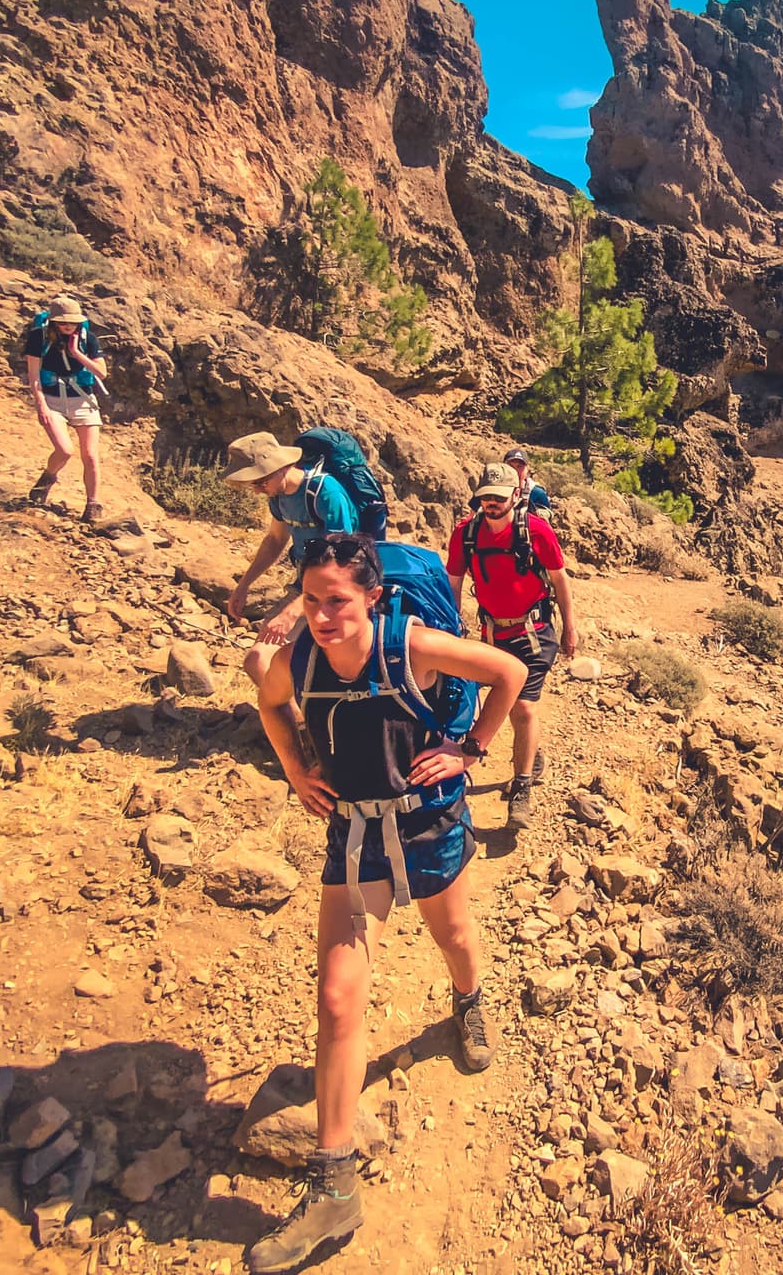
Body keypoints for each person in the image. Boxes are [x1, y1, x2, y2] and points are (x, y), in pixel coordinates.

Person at [247, 532, 525, 1274]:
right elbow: (269, 698)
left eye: (336, 601)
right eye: (309, 600)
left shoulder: (413, 646)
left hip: (427, 820)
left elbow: (509, 668)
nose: (321, 616)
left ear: (372, 596)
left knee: (456, 940)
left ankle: (469, 1000)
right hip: (353, 831)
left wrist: (469, 749)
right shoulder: (297, 659)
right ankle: (334, 1182)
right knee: (337, 1001)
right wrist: (295, 768)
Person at [445, 461, 579, 831]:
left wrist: (570, 627)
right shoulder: (466, 534)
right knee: (494, 705)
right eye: (485, 497)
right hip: (491, 634)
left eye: (499, 497)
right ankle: (531, 751)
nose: (491, 504)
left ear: (515, 495)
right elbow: (453, 581)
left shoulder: (536, 531)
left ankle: (521, 788)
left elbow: (559, 580)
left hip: (533, 633)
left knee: (521, 707)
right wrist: (451, 626)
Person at [224, 432, 359, 688]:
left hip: (339, 591)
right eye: (252, 483)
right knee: (257, 660)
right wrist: (243, 586)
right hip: (304, 586)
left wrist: (291, 612)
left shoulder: (326, 493)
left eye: (261, 481)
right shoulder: (279, 496)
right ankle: (294, 722)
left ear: (282, 466)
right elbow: (275, 540)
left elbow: (340, 563)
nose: (257, 489)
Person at [22, 295, 107, 523]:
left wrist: (77, 353)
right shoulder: (38, 338)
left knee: (90, 455)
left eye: (72, 322)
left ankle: (93, 505)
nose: (68, 326)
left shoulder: (87, 339)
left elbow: (102, 372)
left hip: (83, 398)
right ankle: (48, 478)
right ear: (53, 321)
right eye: (62, 322)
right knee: (64, 450)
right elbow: (34, 376)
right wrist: (40, 404)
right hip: (52, 398)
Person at [504, 446, 552, 518]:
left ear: (527, 469)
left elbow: (545, 522)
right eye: (510, 466)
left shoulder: (537, 493)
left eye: (519, 466)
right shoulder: (492, 489)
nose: (514, 470)